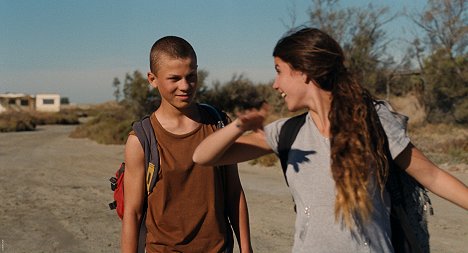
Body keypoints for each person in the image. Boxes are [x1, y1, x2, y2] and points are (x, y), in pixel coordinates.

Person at [193, 27, 468, 253]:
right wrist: (239, 125)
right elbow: (204, 157)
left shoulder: (374, 120)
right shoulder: (287, 133)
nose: (275, 84)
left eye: (279, 70)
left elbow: (432, 176)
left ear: (303, 72)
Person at [121, 36, 252, 253]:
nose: (185, 86)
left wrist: (246, 249)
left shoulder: (218, 125)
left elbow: (234, 193)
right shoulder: (141, 140)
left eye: (191, 76)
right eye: (174, 78)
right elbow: (132, 213)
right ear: (152, 79)